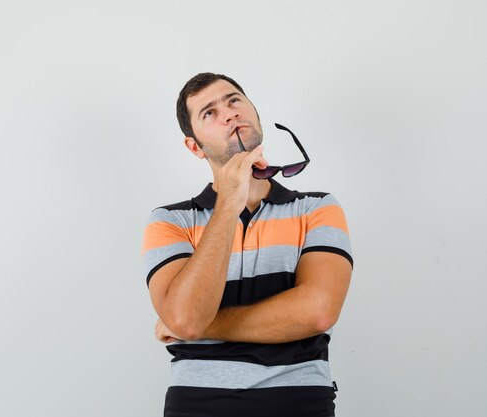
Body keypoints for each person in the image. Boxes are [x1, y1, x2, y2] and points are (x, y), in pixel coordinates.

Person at [142, 72, 353, 417]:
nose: (228, 113)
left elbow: (318, 312)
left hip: (299, 403)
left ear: (253, 110)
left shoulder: (317, 208)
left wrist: (200, 326)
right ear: (194, 146)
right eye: (209, 112)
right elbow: (185, 317)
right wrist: (228, 204)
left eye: (234, 100)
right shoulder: (169, 221)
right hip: (198, 405)